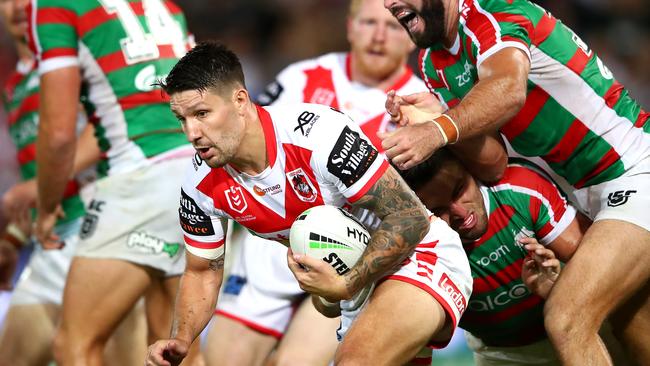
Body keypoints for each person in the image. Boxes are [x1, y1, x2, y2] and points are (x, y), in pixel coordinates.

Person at [145, 41, 474, 366]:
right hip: (355, 284)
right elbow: (202, 272)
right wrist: (182, 338)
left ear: (240, 100)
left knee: (354, 362)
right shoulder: (199, 184)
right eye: (182, 119)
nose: (192, 132)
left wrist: (346, 284)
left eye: (202, 114)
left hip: (418, 255)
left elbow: (409, 216)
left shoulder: (316, 134)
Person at [381, 0, 650, 364]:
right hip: (591, 195)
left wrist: (437, 130)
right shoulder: (436, 64)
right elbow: (492, 163)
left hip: (634, 167)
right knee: (629, 320)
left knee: (567, 317)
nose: (388, 4)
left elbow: (508, 88)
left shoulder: (493, 12)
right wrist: (441, 116)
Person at [204, 0, 429, 364]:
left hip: (349, 253)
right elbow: (243, 142)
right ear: (349, 27)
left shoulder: (422, 105)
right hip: (272, 249)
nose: (378, 35)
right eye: (368, 23)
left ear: (411, 38)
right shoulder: (301, 78)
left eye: (392, 26)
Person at [26, 0, 203, 364]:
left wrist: (46, 206)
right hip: (199, 171)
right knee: (174, 349)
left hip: (140, 173)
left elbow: (58, 133)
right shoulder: (164, 4)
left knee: (75, 343)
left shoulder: (56, 6)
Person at [398, 149, 588, 365]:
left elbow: (599, 270)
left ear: (471, 171)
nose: (460, 212)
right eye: (438, 209)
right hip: (502, 355)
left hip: (580, 323)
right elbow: (416, 350)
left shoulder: (520, 188)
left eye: (459, 190)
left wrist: (560, 291)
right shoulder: (416, 253)